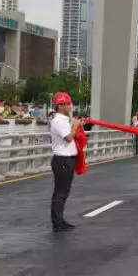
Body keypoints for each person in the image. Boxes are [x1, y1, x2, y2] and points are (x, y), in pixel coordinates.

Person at [48, 91, 82, 232]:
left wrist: (76, 124)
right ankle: (58, 222)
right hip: (62, 160)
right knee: (60, 192)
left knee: (63, 192)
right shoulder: (59, 121)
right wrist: (75, 126)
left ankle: (59, 220)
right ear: (60, 106)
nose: (70, 106)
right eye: (67, 104)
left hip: (66, 159)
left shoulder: (64, 120)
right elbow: (68, 138)